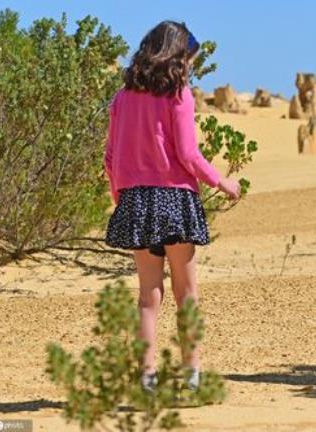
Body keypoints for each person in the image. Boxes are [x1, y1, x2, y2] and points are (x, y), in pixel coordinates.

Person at [104, 21, 240, 391]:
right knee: (186, 290)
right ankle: (191, 374)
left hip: (135, 198)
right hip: (175, 198)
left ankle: (146, 376)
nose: (190, 66)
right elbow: (188, 153)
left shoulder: (122, 97)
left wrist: (122, 196)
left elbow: (111, 156)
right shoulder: (179, 94)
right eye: (189, 59)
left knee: (148, 296)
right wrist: (222, 181)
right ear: (177, 56)